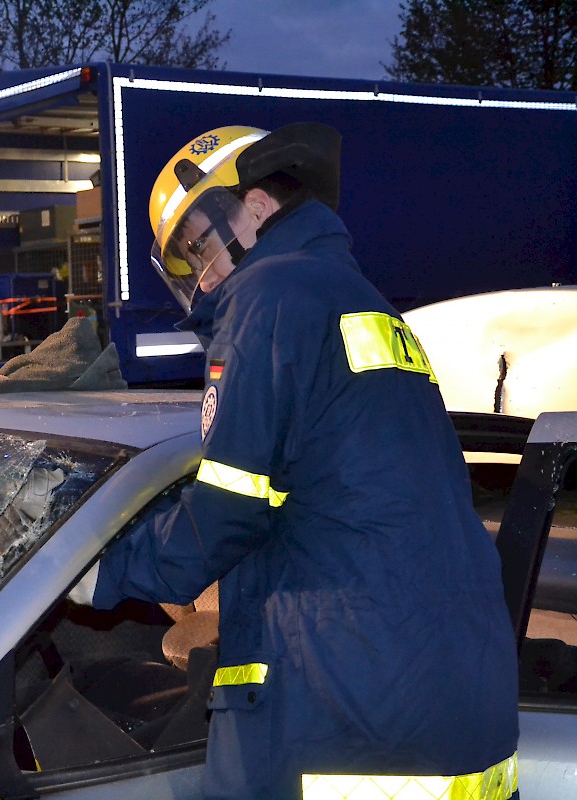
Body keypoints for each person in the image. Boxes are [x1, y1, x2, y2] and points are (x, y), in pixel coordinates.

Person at [84, 123, 519, 798]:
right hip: (458, 707)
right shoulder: (364, 306)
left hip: (346, 717)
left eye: (198, 245)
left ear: (254, 206)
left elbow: (224, 514)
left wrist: (94, 570)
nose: (203, 276)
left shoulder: (271, 299)